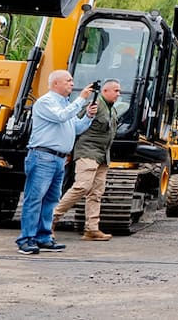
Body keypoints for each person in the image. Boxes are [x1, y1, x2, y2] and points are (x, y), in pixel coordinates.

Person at [16, 70, 97, 255]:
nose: (72, 83)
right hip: (43, 156)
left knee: (51, 199)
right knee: (35, 198)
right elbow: (60, 116)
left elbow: (77, 128)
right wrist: (81, 100)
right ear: (55, 84)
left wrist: (88, 117)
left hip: (60, 158)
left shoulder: (65, 104)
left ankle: (44, 237)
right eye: (68, 80)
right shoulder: (46, 102)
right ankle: (26, 239)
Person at [52, 78, 121, 242]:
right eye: (116, 91)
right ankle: (51, 219)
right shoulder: (94, 105)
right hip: (88, 151)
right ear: (105, 91)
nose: (118, 94)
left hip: (103, 155)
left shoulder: (112, 110)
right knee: (82, 186)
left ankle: (92, 229)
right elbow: (74, 125)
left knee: (96, 193)